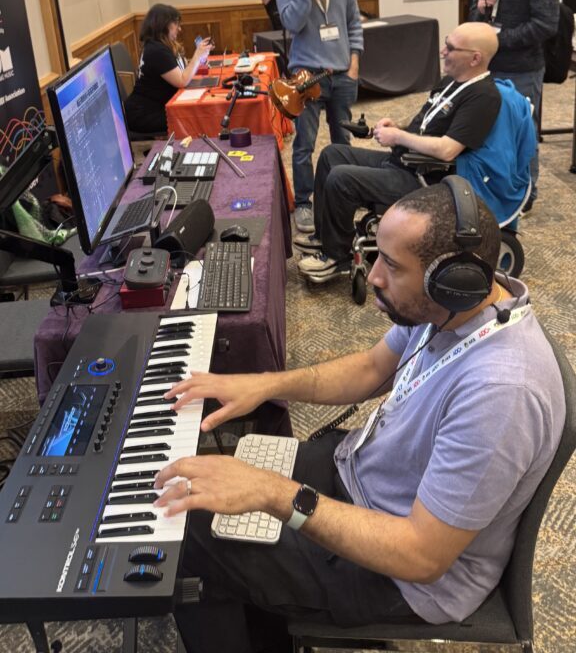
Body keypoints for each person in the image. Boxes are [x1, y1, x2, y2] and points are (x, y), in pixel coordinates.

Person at [153, 183, 565, 653]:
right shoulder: (454, 310)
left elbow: (420, 556)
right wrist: (263, 384)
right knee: (212, 491)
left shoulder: (502, 393)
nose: (372, 277)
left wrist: (271, 492)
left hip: (402, 573)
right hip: (364, 475)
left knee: (187, 535)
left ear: (455, 277)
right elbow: (370, 368)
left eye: (391, 265)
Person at [296, 21, 501, 281]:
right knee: (332, 154)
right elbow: (427, 126)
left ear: (475, 58)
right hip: (404, 160)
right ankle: (325, 236)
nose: (442, 52)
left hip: (426, 179)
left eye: (450, 48)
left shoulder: (484, 97)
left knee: (341, 178)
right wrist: (399, 127)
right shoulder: (451, 81)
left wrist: (399, 136)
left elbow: (449, 149)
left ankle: (337, 258)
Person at [275, 0, 363, 234]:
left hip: (341, 73)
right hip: (306, 75)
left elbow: (354, 22)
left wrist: (354, 63)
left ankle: (345, 194)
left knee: (343, 139)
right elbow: (293, 23)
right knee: (304, 144)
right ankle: (304, 202)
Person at [469, 0, 560, 207]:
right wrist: (480, 9)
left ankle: (526, 195)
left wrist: (498, 39)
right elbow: (473, 15)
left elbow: (546, 24)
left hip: (522, 70)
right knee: (491, 130)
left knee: (522, 133)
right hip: (489, 69)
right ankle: (499, 188)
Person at [124, 3, 212, 134]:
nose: (179, 29)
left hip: (152, 107)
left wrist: (198, 60)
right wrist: (197, 55)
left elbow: (180, 71)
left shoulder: (158, 46)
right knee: (194, 118)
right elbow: (182, 81)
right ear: (163, 25)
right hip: (145, 114)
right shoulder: (157, 51)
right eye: (176, 24)